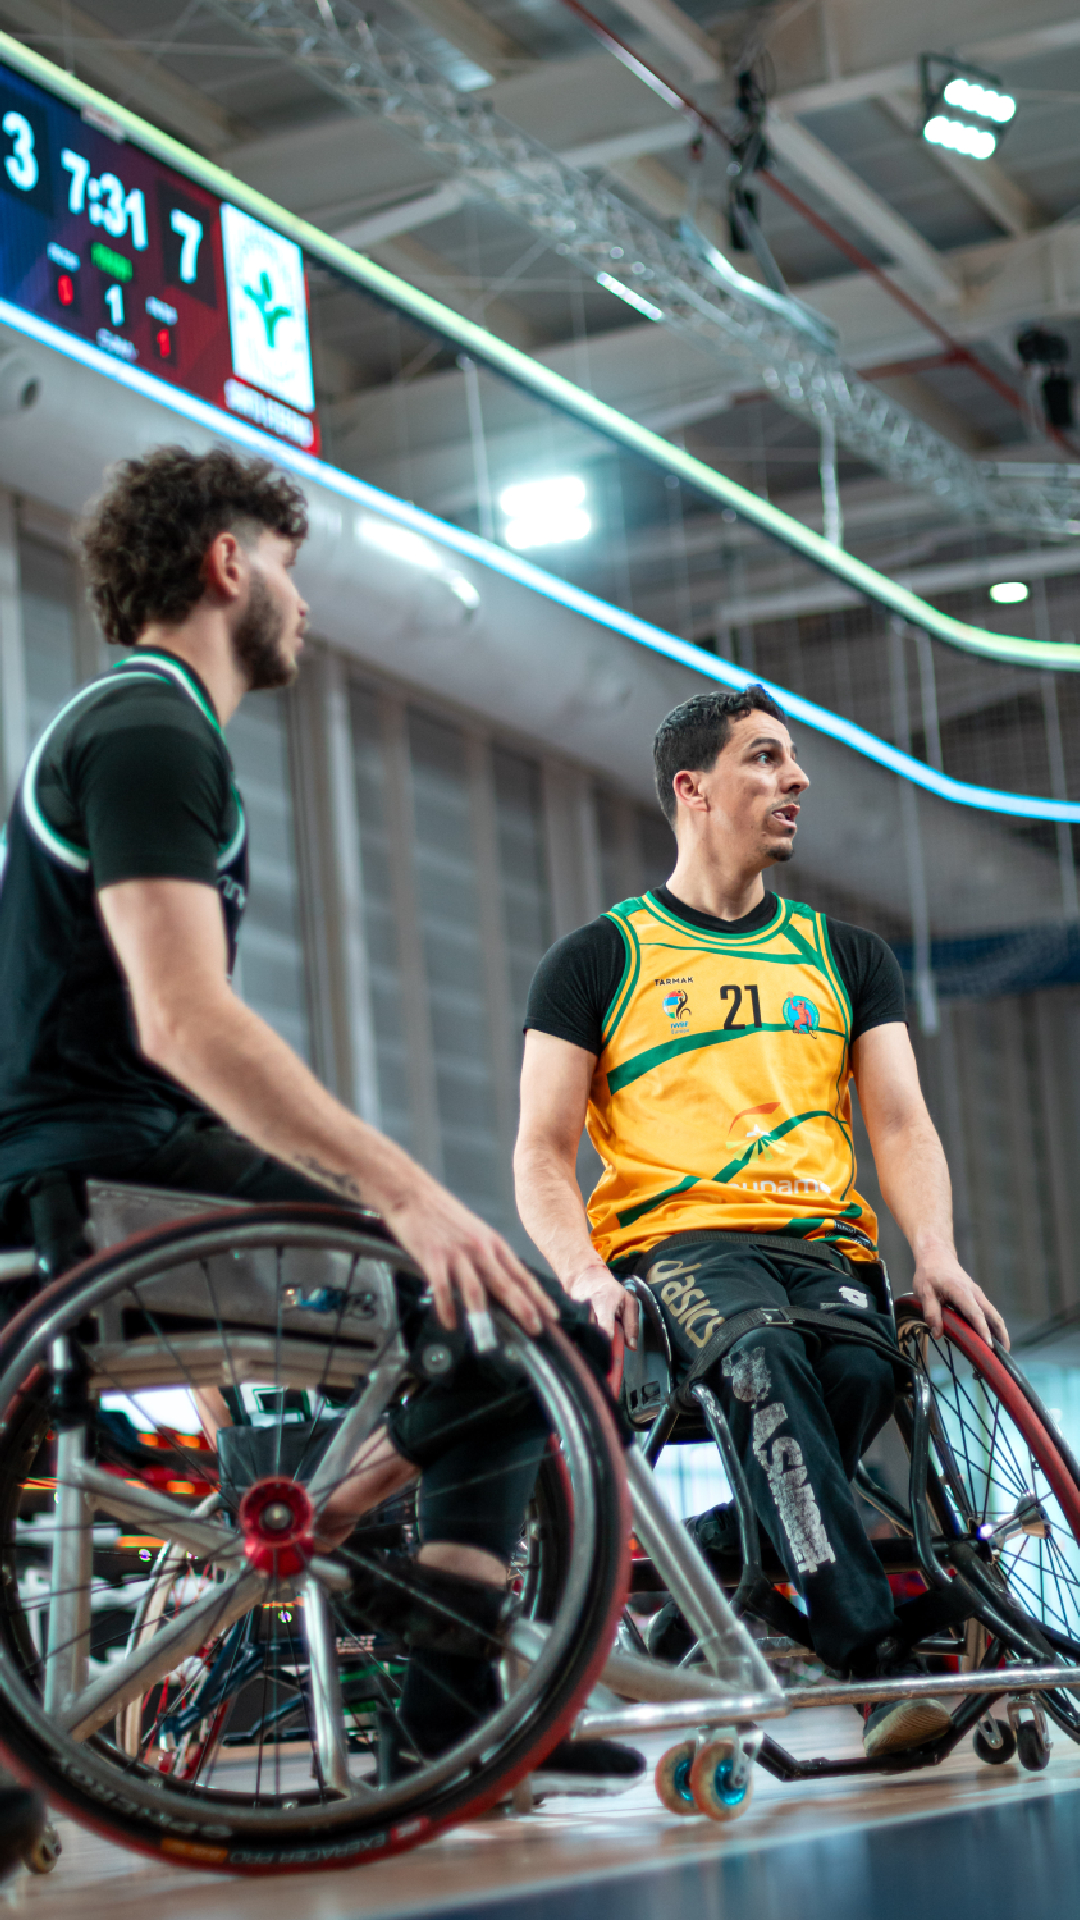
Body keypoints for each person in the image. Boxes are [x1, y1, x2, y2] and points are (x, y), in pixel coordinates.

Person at [0, 443, 640, 1795]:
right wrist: (401, 1190)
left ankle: (428, 1659)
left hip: (120, 1162)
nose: (306, 604)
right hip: (97, 1177)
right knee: (527, 1322)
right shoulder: (149, 731)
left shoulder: (153, 734)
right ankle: (433, 1666)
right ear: (229, 564)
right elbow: (185, 1025)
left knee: (507, 1325)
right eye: (292, 571)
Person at [514, 685, 1009, 1759]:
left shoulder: (845, 955)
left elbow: (901, 1123)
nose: (798, 779)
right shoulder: (598, 957)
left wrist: (936, 1252)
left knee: (864, 1374)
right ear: (693, 789)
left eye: (792, 760)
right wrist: (583, 1273)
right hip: (681, 1245)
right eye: (767, 758)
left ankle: (711, 1561)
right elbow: (540, 1152)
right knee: (763, 1362)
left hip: (824, 1245)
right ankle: (874, 1668)